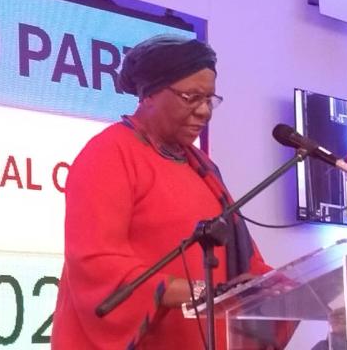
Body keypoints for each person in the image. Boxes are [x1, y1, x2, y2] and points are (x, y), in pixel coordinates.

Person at [51, 34, 272, 349]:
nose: (204, 111)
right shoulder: (108, 154)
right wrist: (200, 291)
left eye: (209, 99)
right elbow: (96, 264)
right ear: (149, 95)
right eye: (191, 97)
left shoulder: (202, 167)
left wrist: (281, 287)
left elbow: (246, 261)